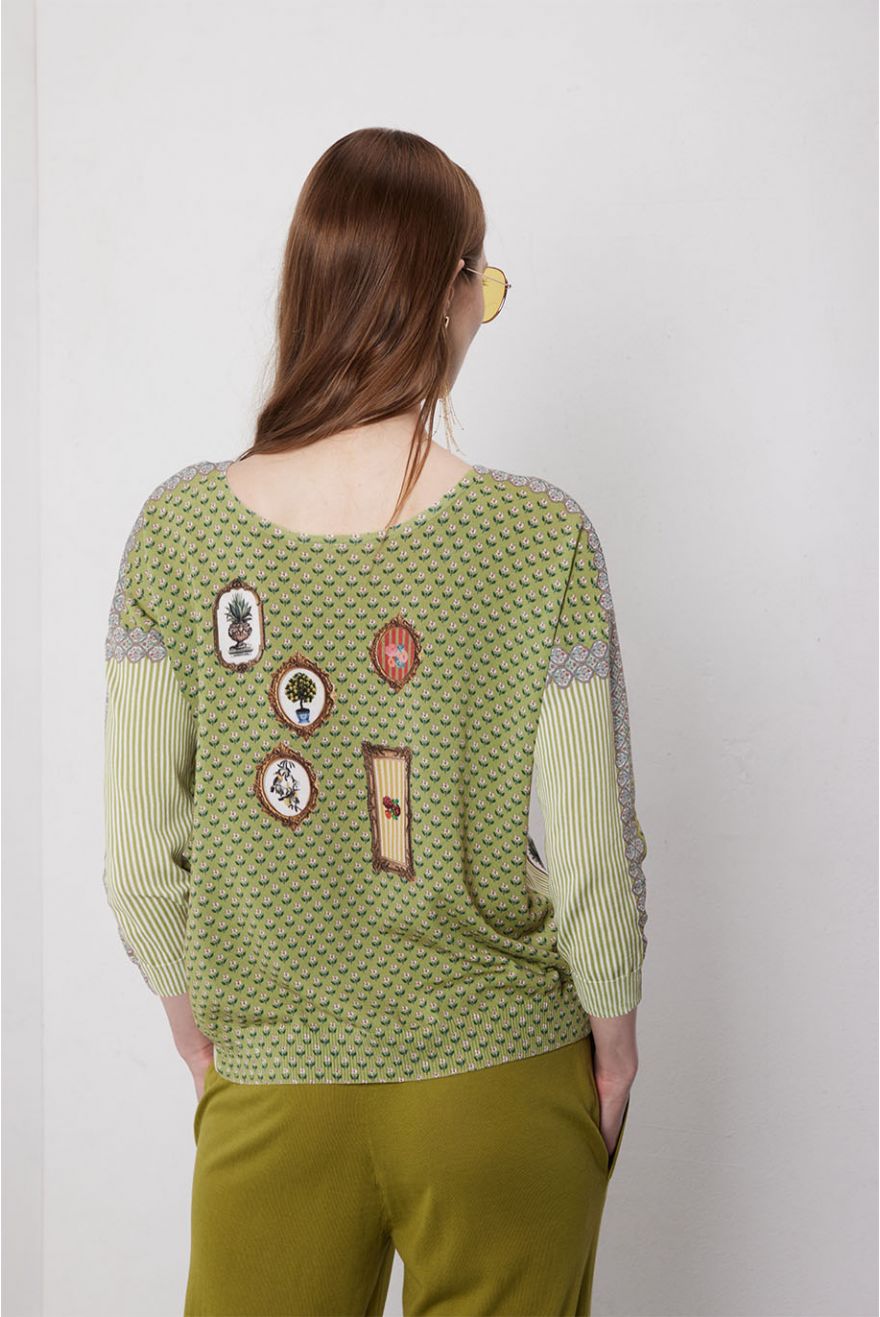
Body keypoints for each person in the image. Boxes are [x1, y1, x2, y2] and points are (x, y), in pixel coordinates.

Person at [102, 126, 648, 1317]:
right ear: (439, 294)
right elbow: (592, 852)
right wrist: (613, 1048)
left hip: (272, 1090)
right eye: (480, 284)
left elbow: (141, 861)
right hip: (504, 1085)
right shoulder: (539, 539)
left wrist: (205, 1044)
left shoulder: (176, 538)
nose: (479, 317)